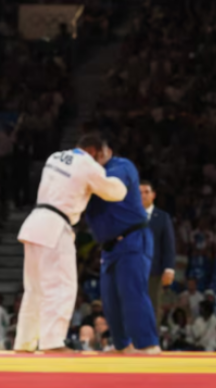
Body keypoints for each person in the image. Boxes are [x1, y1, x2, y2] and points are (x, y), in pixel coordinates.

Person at [14, 133, 127, 353]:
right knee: (61, 286)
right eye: (102, 157)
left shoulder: (55, 157)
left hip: (35, 222)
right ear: (94, 151)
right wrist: (120, 178)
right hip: (55, 227)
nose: (101, 162)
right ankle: (52, 343)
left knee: (34, 288)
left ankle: (24, 343)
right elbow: (114, 192)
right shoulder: (86, 163)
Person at [83, 142, 161, 354]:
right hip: (108, 246)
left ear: (104, 151)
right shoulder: (87, 175)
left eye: (94, 154)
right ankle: (122, 345)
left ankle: (148, 344)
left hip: (132, 238)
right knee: (109, 299)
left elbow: (112, 187)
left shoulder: (120, 166)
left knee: (132, 292)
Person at [141, 180, 176, 326]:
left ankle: (151, 342)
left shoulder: (162, 217)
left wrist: (169, 268)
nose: (143, 195)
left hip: (154, 270)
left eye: (146, 192)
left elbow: (168, 244)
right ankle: (131, 343)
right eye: (139, 193)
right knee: (131, 305)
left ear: (153, 195)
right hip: (132, 269)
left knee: (153, 306)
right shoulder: (130, 216)